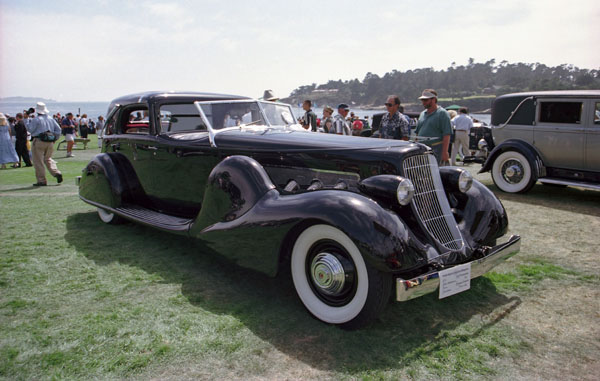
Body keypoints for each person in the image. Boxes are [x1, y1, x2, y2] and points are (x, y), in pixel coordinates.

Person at [25, 102, 63, 185]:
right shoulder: (50, 118)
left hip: (39, 140)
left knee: (38, 161)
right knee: (48, 159)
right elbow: (58, 130)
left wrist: (26, 119)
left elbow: (30, 129)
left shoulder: (36, 119)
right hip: (50, 141)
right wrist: (55, 138)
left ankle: (41, 180)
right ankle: (56, 172)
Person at [415, 89, 452, 165]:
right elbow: (418, 133)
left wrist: (444, 152)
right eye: (422, 100)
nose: (423, 102)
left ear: (434, 99)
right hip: (422, 149)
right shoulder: (422, 114)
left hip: (436, 149)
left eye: (426, 100)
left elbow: (447, 134)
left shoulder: (442, 114)